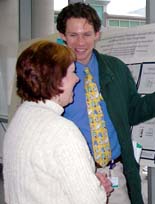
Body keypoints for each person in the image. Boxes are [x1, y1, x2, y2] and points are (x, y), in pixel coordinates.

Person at [56, 3, 155, 204]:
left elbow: (132, 112)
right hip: (74, 176)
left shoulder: (115, 69)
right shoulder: (53, 75)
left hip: (115, 174)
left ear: (97, 34)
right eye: (73, 35)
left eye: (87, 34)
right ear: (62, 35)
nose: (80, 42)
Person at [3, 40, 113, 204]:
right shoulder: (62, 131)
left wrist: (90, 184)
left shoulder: (20, 119)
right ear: (55, 79)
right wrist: (99, 191)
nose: (77, 79)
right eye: (72, 72)